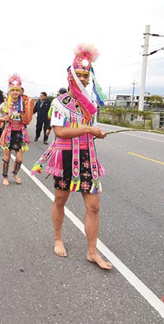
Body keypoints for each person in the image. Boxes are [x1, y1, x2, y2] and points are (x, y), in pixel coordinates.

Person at [31, 44, 112, 270]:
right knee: (60, 199)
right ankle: (58, 238)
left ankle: (92, 251)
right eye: (80, 75)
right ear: (71, 76)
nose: (84, 79)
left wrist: (97, 133)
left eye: (87, 75)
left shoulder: (92, 103)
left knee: (94, 205)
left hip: (87, 156)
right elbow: (60, 132)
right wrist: (88, 130)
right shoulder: (60, 102)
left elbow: (91, 129)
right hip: (66, 156)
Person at [0, 74, 33, 186]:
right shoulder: (5, 104)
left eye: (17, 90)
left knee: (19, 159)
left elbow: (28, 117)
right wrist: (4, 118)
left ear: (20, 91)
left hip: (20, 132)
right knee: (7, 157)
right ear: (9, 91)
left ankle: (15, 173)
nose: (15, 92)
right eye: (12, 90)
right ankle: (5, 176)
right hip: (9, 132)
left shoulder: (24, 103)